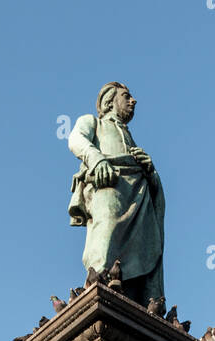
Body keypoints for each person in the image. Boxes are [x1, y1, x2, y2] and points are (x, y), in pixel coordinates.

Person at [68, 82, 165, 308]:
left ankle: (137, 294)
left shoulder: (131, 138)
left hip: (138, 192)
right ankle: (100, 278)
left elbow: (153, 183)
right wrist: (96, 158)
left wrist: (150, 171)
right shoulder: (94, 122)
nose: (134, 101)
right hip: (108, 182)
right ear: (109, 101)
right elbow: (75, 139)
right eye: (127, 96)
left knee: (147, 244)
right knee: (108, 222)